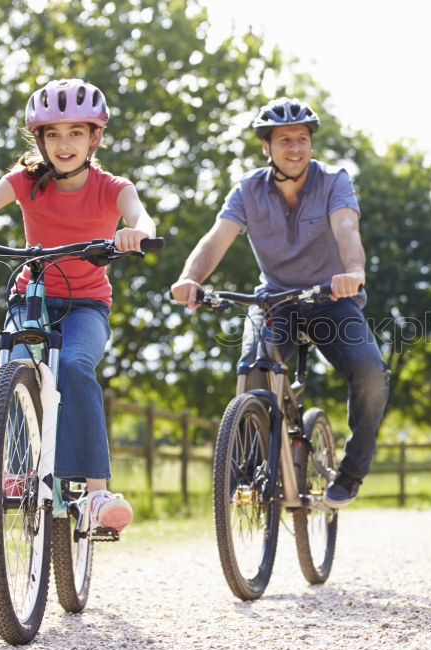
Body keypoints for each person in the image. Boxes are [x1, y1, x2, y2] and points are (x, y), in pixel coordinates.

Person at [0, 78, 157, 532]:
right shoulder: (26, 181)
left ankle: (96, 492)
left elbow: (140, 214)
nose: (63, 143)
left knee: (73, 366)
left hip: (87, 305)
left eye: (74, 132)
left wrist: (136, 232)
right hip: (34, 294)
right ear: (40, 140)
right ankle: (16, 468)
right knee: (14, 360)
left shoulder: (111, 186)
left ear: (94, 137)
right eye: (52, 134)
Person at [170, 97, 389, 508]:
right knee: (253, 371)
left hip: (330, 299)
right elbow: (216, 239)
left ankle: (352, 471)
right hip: (274, 301)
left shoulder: (333, 181)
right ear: (266, 147)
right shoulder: (248, 191)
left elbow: (347, 228)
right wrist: (189, 279)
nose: (295, 148)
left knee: (370, 373)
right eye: (284, 140)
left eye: (302, 139)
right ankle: (250, 474)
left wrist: (353, 272)